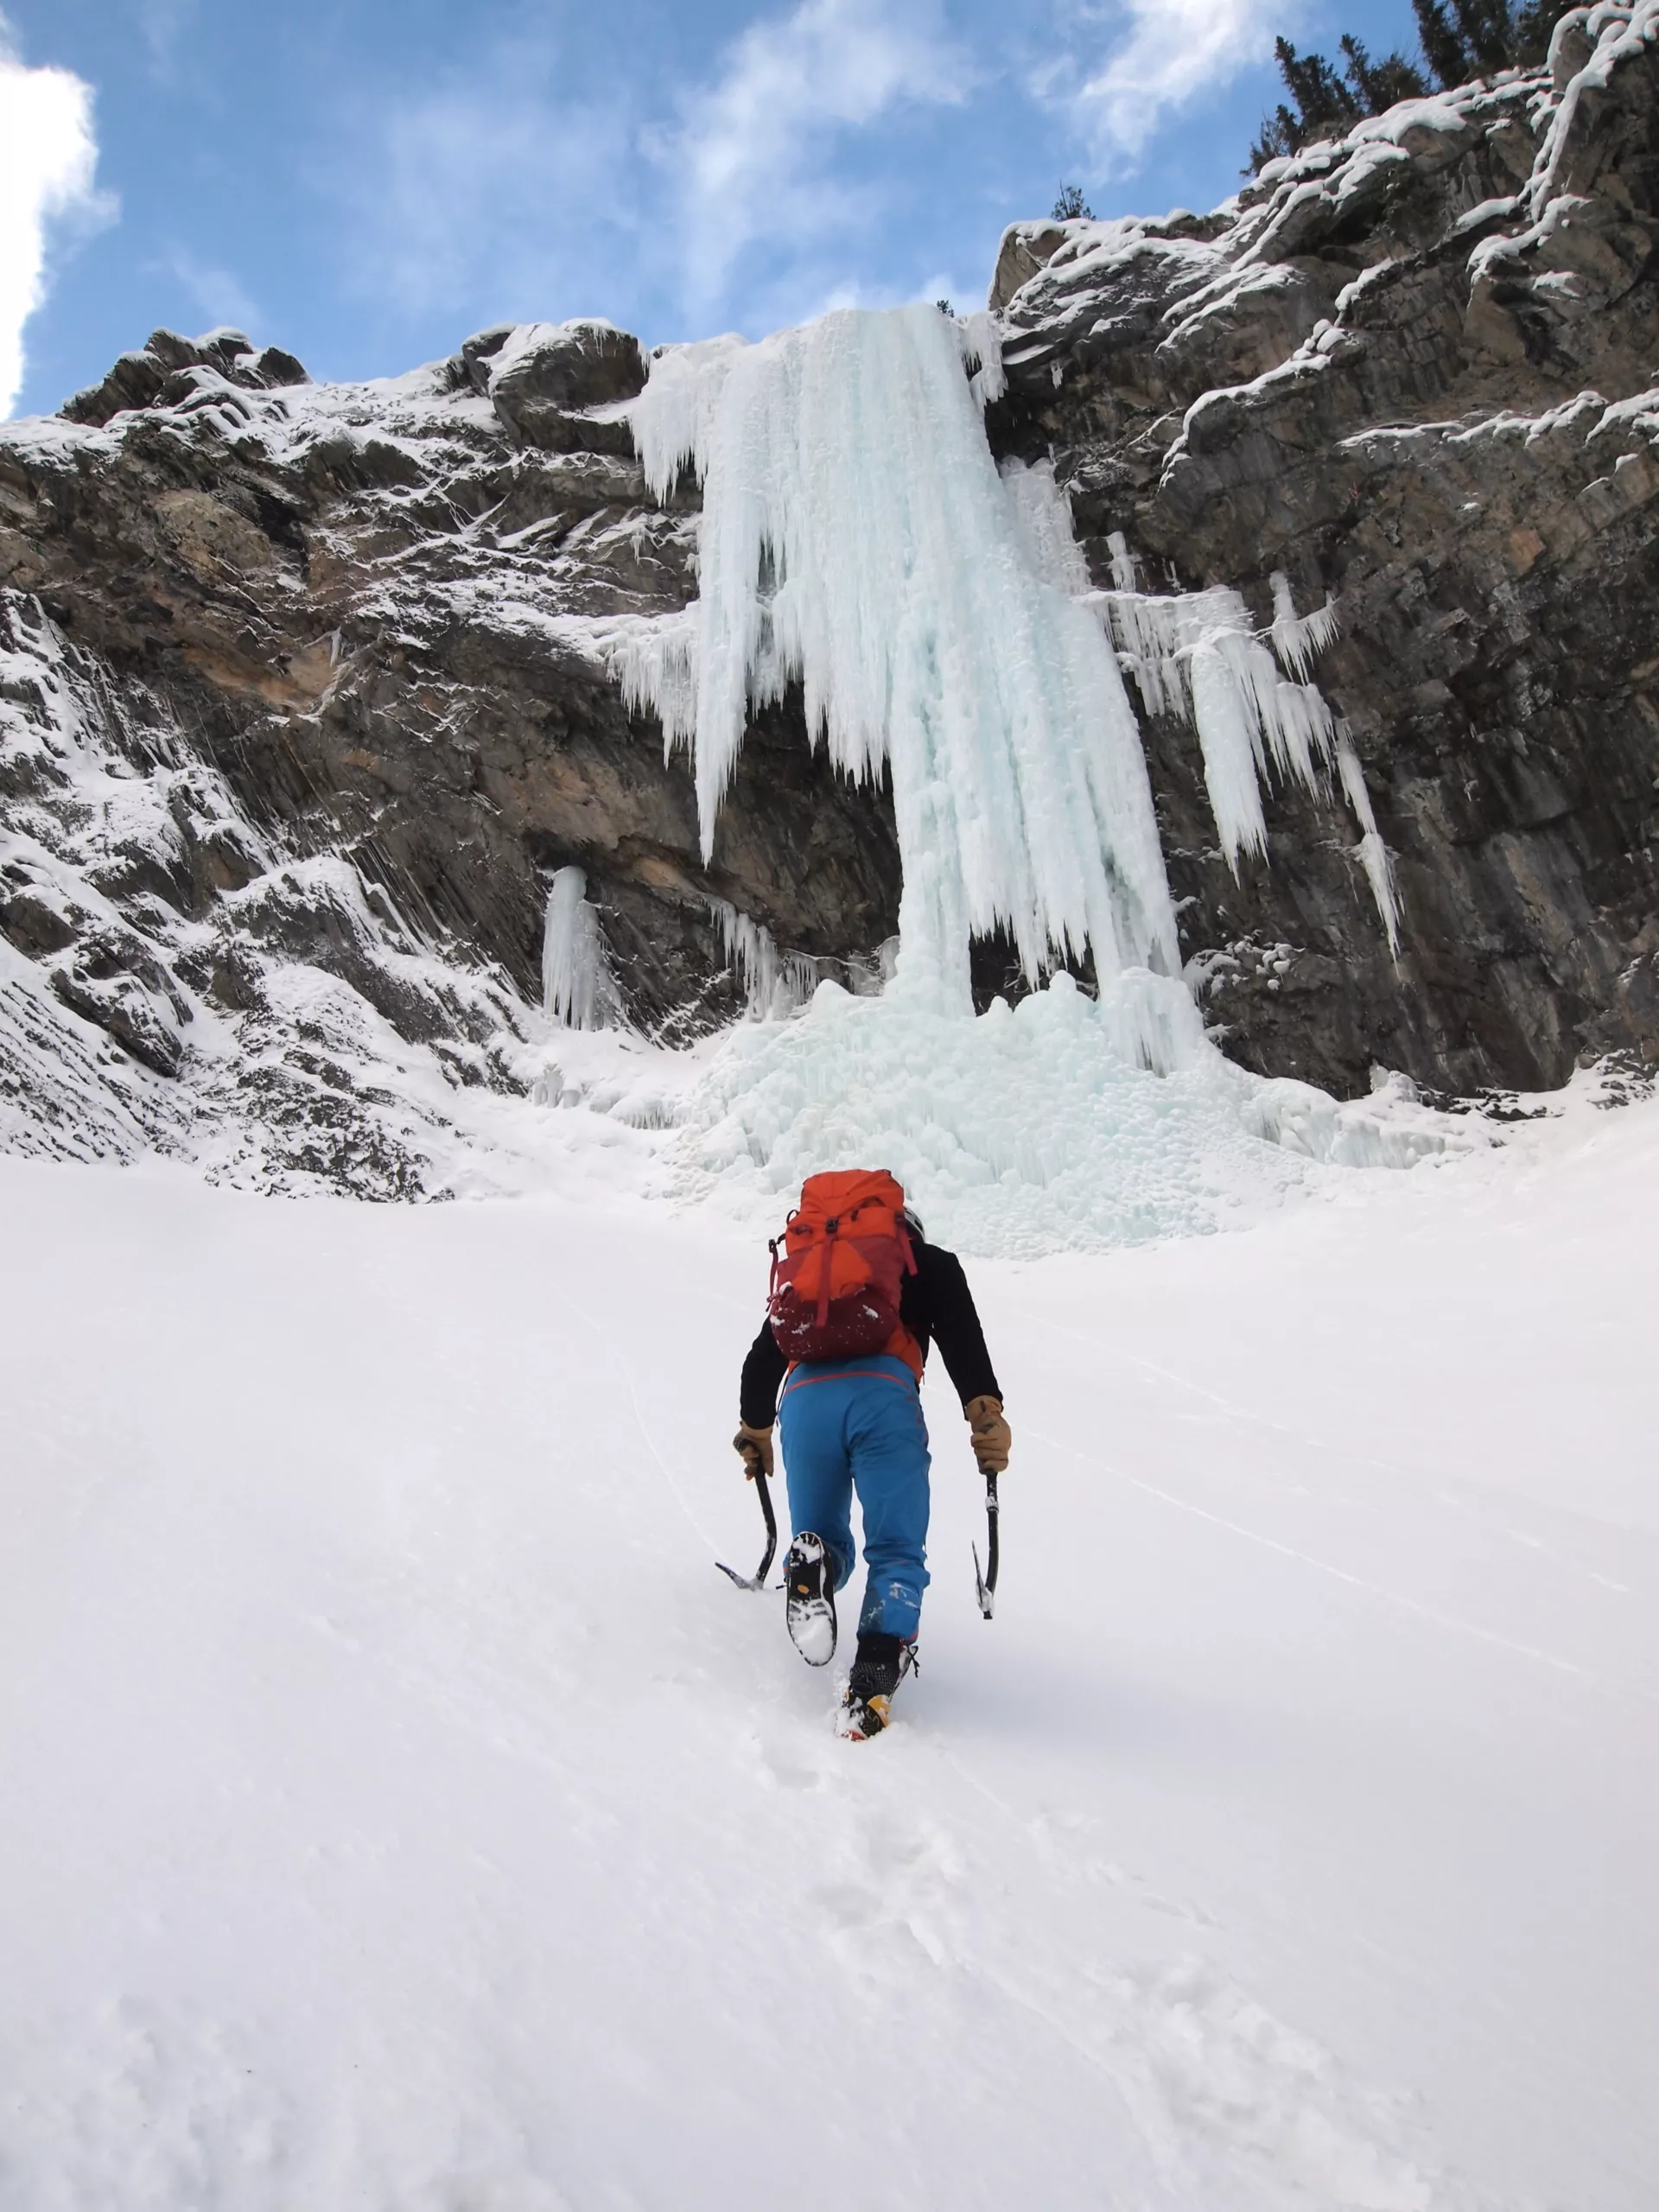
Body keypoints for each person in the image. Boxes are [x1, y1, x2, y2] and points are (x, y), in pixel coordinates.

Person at [733, 1186, 1011, 1738]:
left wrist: (755, 1431)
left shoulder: (817, 1273)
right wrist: (986, 1416)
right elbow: (964, 1344)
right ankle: (871, 1683)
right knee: (896, 1549)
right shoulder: (926, 1265)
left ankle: (813, 1568)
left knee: (824, 1539)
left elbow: (763, 1359)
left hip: (804, 1402)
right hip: (884, 1399)